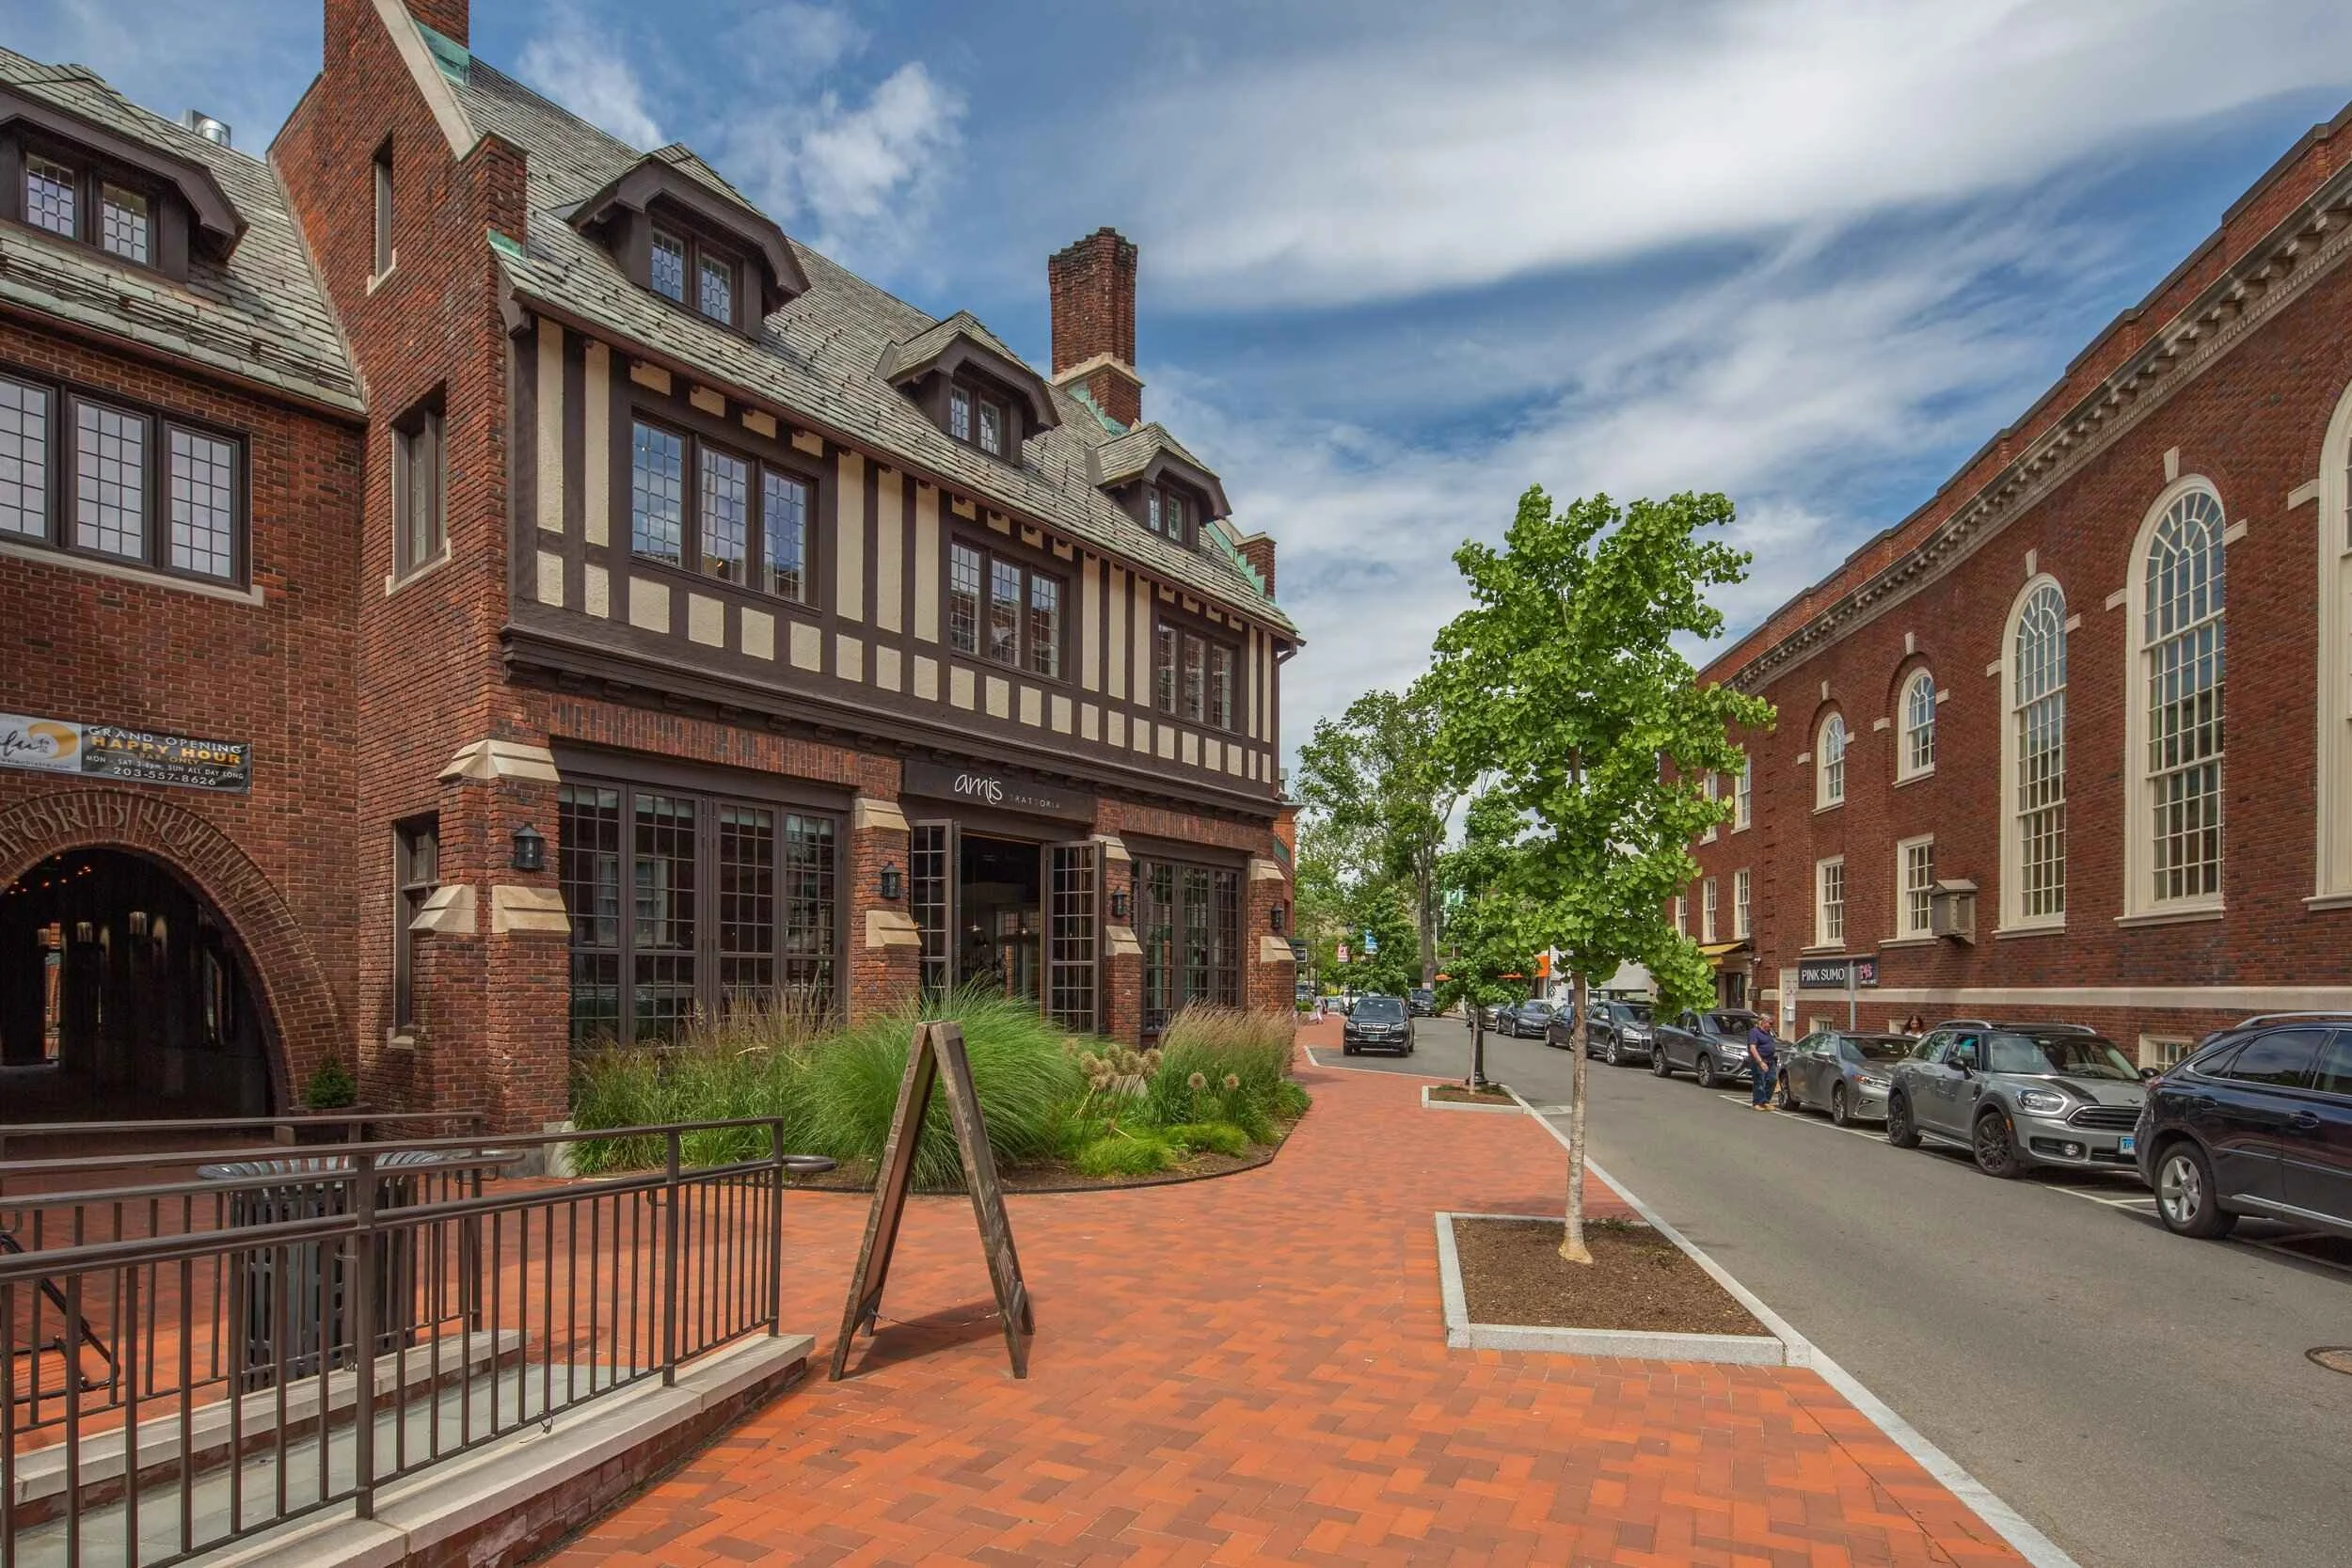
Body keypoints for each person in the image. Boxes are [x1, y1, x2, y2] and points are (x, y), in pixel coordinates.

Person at [1746, 1017, 1779, 1110]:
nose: (1771, 1025)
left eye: (1772, 1023)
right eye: (1770, 1023)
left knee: (1772, 1080)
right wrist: (1760, 1062)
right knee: (1759, 1081)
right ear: (1763, 1022)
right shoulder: (1754, 1032)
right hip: (1760, 1060)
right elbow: (1753, 1048)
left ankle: (1765, 1101)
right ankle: (1757, 1103)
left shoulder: (1769, 1032)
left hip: (1770, 1060)